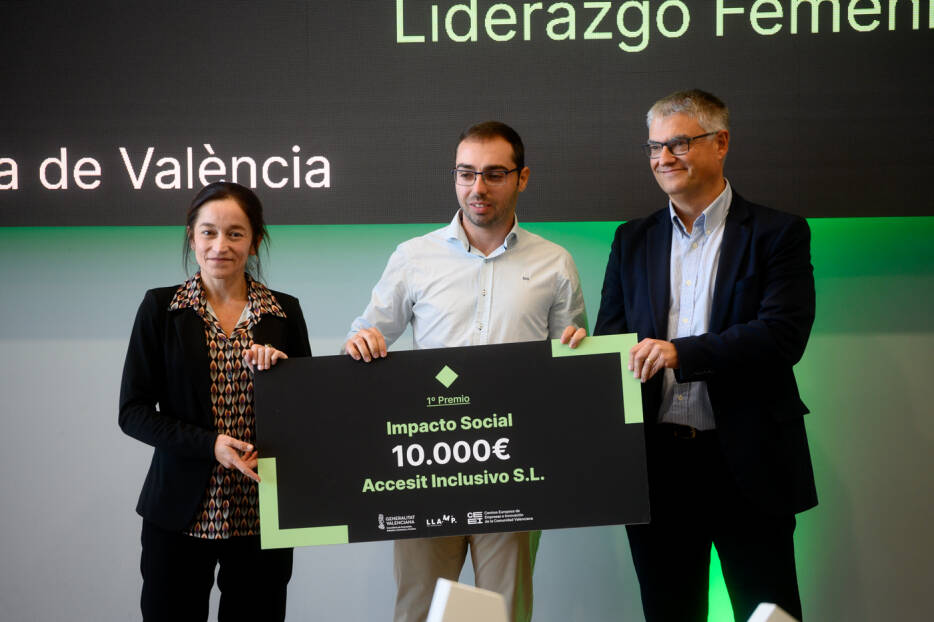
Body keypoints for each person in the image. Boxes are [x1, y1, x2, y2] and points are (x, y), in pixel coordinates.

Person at [344, 121, 587, 622]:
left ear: (522, 178)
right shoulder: (414, 257)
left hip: (514, 465)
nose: (478, 187)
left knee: (504, 611)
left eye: (494, 174)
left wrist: (579, 353)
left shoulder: (555, 263)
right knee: (418, 608)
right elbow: (367, 332)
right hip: (426, 466)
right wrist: (361, 340)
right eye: (466, 173)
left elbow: (570, 364)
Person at [594, 90, 817, 621]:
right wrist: (588, 352)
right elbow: (614, 340)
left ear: (721, 143)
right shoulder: (631, 240)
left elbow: (782, 336)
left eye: (678, 143)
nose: (663, 158)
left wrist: (681, 353)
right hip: (657, 466)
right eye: (654, 147)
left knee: (768, 611)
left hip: (748, 460)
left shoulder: (778, 233)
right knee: (668, 612)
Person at [119, 181, 311, 621]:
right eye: (208, 232)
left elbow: (308, 415)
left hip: (262, 512)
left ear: (255, 241)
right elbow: (133, 412)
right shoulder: (161, 308)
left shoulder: (283, 312)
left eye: (235, 233)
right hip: (179, 512)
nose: (220, 245)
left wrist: (281, 377)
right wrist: (211, 445)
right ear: (192, 237)